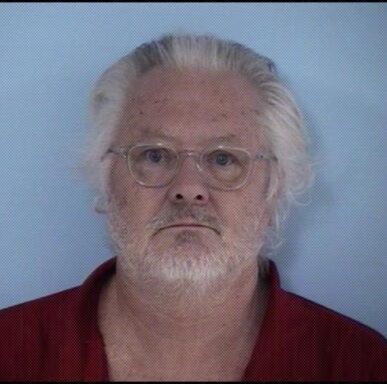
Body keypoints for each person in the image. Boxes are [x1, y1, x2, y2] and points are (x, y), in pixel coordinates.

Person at [0, 33, 386, 381]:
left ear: (274, 191)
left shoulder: (361, 365)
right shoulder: (10, 354)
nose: (187, 188)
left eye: (223, 159)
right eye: (153, 155)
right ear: (104, 180)